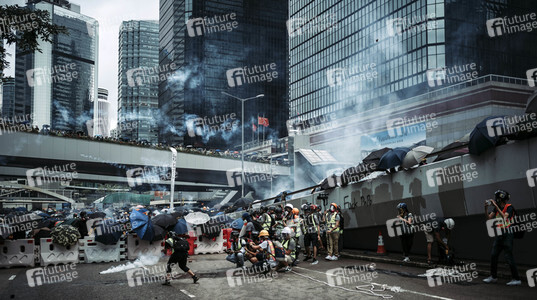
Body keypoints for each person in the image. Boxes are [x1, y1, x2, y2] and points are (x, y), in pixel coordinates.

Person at [483, 190, 521, 286]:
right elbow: (488, 219)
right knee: (494, 255)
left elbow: (505, 217)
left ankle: (516, 279)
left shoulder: (509, 207)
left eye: (497, 198)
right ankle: (493, 277)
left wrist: (495, 206)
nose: (496, 199)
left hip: (508, 233)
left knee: (508, 256)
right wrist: (486, 209)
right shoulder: (496, 209)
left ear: (501, 198)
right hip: (500, 234)